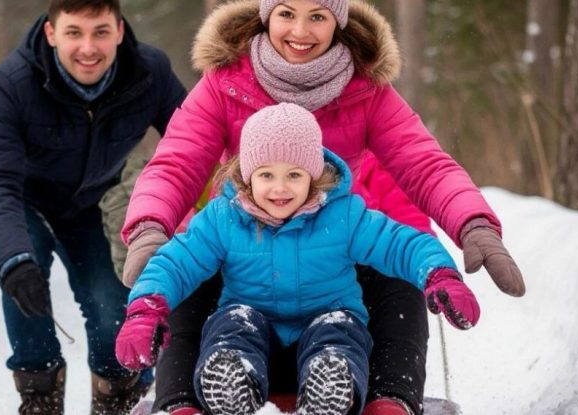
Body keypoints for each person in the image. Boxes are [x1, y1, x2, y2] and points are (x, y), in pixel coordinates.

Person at [120, 1, 526, 414]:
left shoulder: (365, 88)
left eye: (317, 16)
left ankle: (386, 400)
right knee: (190, 267)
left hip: (328, 267)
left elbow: (423, 163)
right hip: (244, 268)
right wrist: (150, 226)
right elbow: (178, 162)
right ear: (267, 15)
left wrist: (473, 224)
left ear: (338, 21)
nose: (301, 31)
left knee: (396, 271)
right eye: (286, 13)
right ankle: (183, 403)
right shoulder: (225, 83)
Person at [114, 103, 479, 415]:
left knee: (339, 330)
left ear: (313, 175)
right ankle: (231, 380)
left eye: (294, 175)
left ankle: (331, 386)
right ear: (247, 176)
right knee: (232, 324)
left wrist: (440, 274)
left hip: (326, 325)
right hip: (251, 329)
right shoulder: (223, 218)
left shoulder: (343, 215)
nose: (280, 188)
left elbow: (401, 243)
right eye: (266, 175)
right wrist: (145, 308)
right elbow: (176, 261)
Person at [0, 0, 186, 413]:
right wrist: (12, 260)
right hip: (21, 200)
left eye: (100, 32)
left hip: (93, 201)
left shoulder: (149, 72)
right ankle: (39, 394)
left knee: (110, 306)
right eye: (74, 33)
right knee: (25, 279)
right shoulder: (13, 83)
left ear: (120, 30)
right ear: (51, 33)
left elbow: (195, 142)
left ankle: (118, 394)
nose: (88, 48)